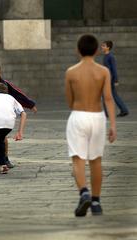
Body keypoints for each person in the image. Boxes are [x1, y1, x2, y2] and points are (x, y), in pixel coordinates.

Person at [65, 34, 116, 217]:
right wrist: (113, 125)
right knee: (96, 160)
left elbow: (70, 101)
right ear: (96, 50)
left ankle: (83, 192)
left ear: (78, 50)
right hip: (98, 117)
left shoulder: (71, 72)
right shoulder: (103, 72)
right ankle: (96, 202)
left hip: (78, 116)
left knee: (78, 158)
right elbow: (108, 98)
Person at [101, 40, 129, 117]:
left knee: (105, 96)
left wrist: (115, 80)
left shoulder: (110, 57)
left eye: (103, 46)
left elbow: (114, 69)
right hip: (107, 79)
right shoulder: (105, 56)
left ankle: (107, 114)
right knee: (114, 95)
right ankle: (124, 110)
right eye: (102, 45)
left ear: (108, 47)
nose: (102, 47)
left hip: (109, 80)